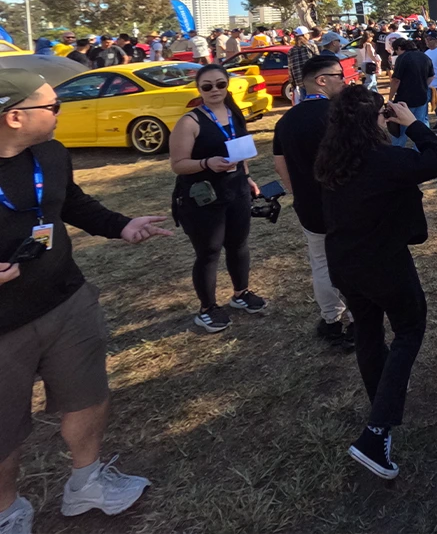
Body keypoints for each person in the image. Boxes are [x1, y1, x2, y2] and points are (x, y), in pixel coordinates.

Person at [0, 68, 169, 533]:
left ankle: (86, 483)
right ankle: (7, 512)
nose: (60, 112)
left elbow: (70, 203)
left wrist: (121, 225)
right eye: (52, 107)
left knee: (88, 394)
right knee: (4, 429)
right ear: (15, 117)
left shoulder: (51, 154)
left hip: (66, 300)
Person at [314, 87, 437, 481]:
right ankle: (375, 433)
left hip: (344, 262)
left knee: (369, 333)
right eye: (381, 116)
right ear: (375, 120)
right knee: (409, 329)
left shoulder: (332, 158)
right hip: (383, 265)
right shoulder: (386, 160)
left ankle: (381, 408)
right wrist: (412, 124)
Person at [168, 64, 266, 333]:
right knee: (209, 252)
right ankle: (207, 308)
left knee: (238, 245)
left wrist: (246, 177)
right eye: (207, 86)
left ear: (227, 85)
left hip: (236, 191)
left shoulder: (235, 114)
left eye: (220, 84)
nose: (215, 90)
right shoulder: (190, 122)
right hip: (203, 198)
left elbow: (240, 151)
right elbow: (178, 164)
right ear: (199, 89)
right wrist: (206, 163)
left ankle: (241, 293)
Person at [272, 56, 354, 349]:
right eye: (339, 76)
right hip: (346, 205)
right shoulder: (340, 114)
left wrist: (298, 192)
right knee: (351, 262)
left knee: (321, 263)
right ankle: (358, 321)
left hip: (310, 208)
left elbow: (279, 165)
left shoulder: (286, 120)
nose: (343, 81)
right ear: (322, 80)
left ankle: (331, 320)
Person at [389, 38, 434, 131]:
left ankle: (399, 146)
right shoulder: (425, 57)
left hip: (405, 99)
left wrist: (390, 98)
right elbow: (431, 76)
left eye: (396, 51)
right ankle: (421, 146)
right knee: (421, 127)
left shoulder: (402, 58)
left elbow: (396, 80)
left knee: (402, 130)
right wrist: (422, 86)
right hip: (421, 97)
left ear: (399, 48)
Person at [287, 26, 318, 105]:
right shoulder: (311, 47)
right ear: (304, 35)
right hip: (313, 80)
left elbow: (290, 69)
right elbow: (319, 63)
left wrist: (293, 84)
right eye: (307, 33)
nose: (309, 35)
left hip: (300, 82)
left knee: (305, 104)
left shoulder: (291, 51)